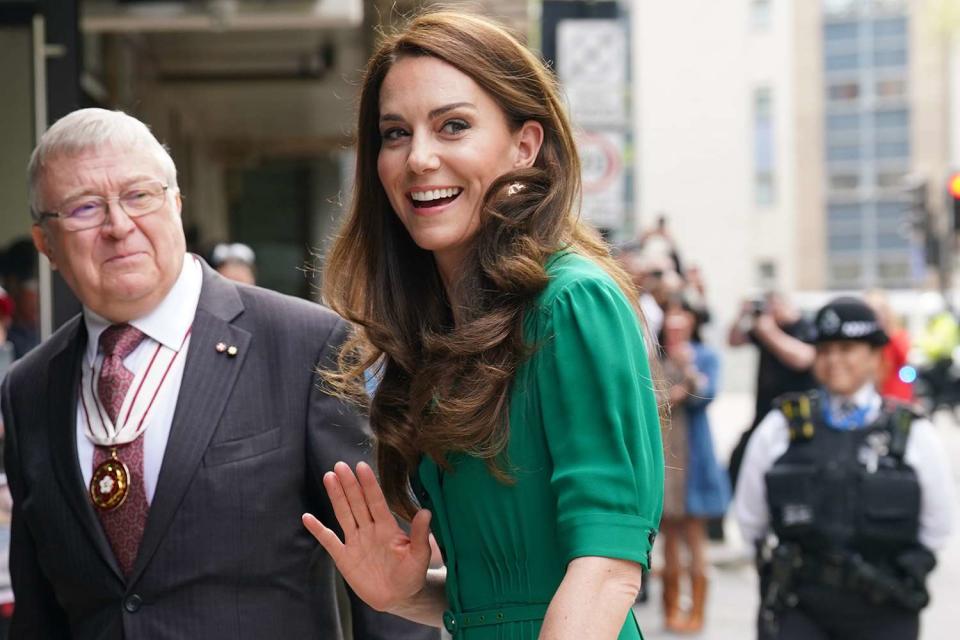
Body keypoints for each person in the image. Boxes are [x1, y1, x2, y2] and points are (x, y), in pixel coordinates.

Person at [1, 108, 436, 640]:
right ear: (45, 242)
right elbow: (37, 613)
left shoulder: (301, 345)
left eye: (139, 195)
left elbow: (387, 587)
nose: (118, 226)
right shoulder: (29, 389)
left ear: (176, 204)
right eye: (84, 208)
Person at [301, 10, 664, 640]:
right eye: (394, 133)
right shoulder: (445, 333)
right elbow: (498, 603)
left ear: (525, 145)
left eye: (454, 127)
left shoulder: (572, 302)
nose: (418, 158)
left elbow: (607, 573)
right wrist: (404, 594)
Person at [733, 297, 955, 640]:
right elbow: (751, 519)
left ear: (874, 355)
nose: (834, 360)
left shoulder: (912, 433)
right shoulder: (780, 426)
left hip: (886, 608)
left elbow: (937, 526)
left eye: (847, 348)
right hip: (799, 609)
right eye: (824, 350)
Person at [658, 300, 729, 634]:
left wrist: (687, 371)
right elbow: (650, 398)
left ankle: (697, 610)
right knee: (669, 536)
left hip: (695, 455)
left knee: (695, 536)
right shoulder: (654, 356)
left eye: (681, 321)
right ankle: (670, 607)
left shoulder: (705, 356)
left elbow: (708, 393)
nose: (675, 327)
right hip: (666, 453)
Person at [727, 292, 817, 490]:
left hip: (798, 415)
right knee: (738, 464)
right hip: (763, 412)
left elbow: (803, 359)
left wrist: (769, 332)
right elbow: (733, 341)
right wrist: (742, 315)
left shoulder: (803, 327)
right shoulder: (763, 329)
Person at [865, 290, 913, 401]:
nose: (877, 314)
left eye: (880, 309)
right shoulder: (863, 342)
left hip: (895, 394)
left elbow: (904, 358)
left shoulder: (897, 336)